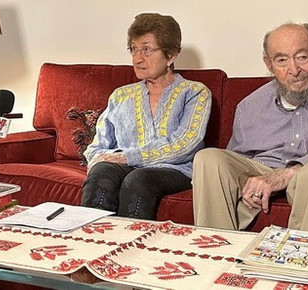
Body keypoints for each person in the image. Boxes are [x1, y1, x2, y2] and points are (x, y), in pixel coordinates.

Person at [192, 22, 308, 233]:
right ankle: (218, 256)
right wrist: (253, 183)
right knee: (209, 159)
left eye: (302, 57)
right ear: (269, 63)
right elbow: (238, 161)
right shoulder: (250, 105)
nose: (294, 70)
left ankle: (305, 262)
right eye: (281, 60)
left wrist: (289, 173)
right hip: (266, 168)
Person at [81, 13, 211, 219]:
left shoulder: (194, 92)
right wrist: (98, 161)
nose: (137, 58)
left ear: (171, 55)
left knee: (138, 180)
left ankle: (130, 248)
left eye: (147, 50)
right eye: (134, 49)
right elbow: (98, 146)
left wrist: (128, 157)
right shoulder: (121, 95)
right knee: (101, 174)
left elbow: (186, 145)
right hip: (127, 166)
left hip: (174, 169)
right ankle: (92, 245)